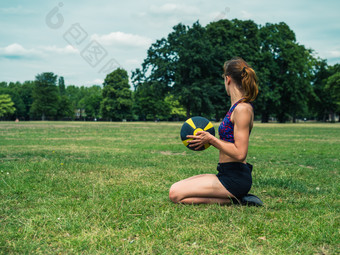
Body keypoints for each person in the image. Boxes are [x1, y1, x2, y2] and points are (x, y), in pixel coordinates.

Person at [169, 57, 261, 205]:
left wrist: (211, 139)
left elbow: (240, 153)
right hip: (225, 173)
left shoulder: (242, 109)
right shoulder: (235, 107)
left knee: (175, 194)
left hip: (235, 178)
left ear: (228, 79)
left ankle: (236, 200)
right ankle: (236, 199)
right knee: (176, 188)